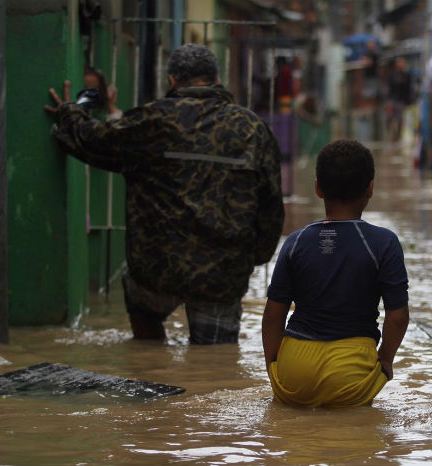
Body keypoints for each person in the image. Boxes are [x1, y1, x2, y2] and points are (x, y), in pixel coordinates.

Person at [45, 43, 284, 344]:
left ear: (172, 80)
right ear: (217, 80)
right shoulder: (252, 129)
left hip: (156, 269)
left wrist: (70, 110)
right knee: (213, 368)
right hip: (221, 275)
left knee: (144, 330)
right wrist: (253, 258)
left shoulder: (152, 120)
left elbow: (89, 140)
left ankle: (150, 362)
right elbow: (272, 206)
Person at [262, 139, 410, 408]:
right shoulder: (384, 243)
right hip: (351, 373)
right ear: (370, 188)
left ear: (318, 187)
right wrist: (385, 361)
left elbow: (273, 315)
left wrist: (275, 368)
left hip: (294, 371)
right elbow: (398, 317)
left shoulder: (295, 242)